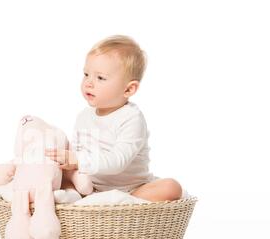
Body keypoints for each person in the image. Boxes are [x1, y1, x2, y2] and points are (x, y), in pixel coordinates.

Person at [45, 35, 182, 202]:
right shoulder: (84, 117)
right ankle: (86, 197)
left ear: (129, 89)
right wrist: (68, 163)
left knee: (171, 187)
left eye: (100, 78)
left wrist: (77, 160)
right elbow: (78, 153)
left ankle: (121, 201)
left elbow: (118, 161)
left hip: (131, 188)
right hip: (90, 186)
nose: (88, 83)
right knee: (57, 176)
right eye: (86, 74)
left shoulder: (131, 118)